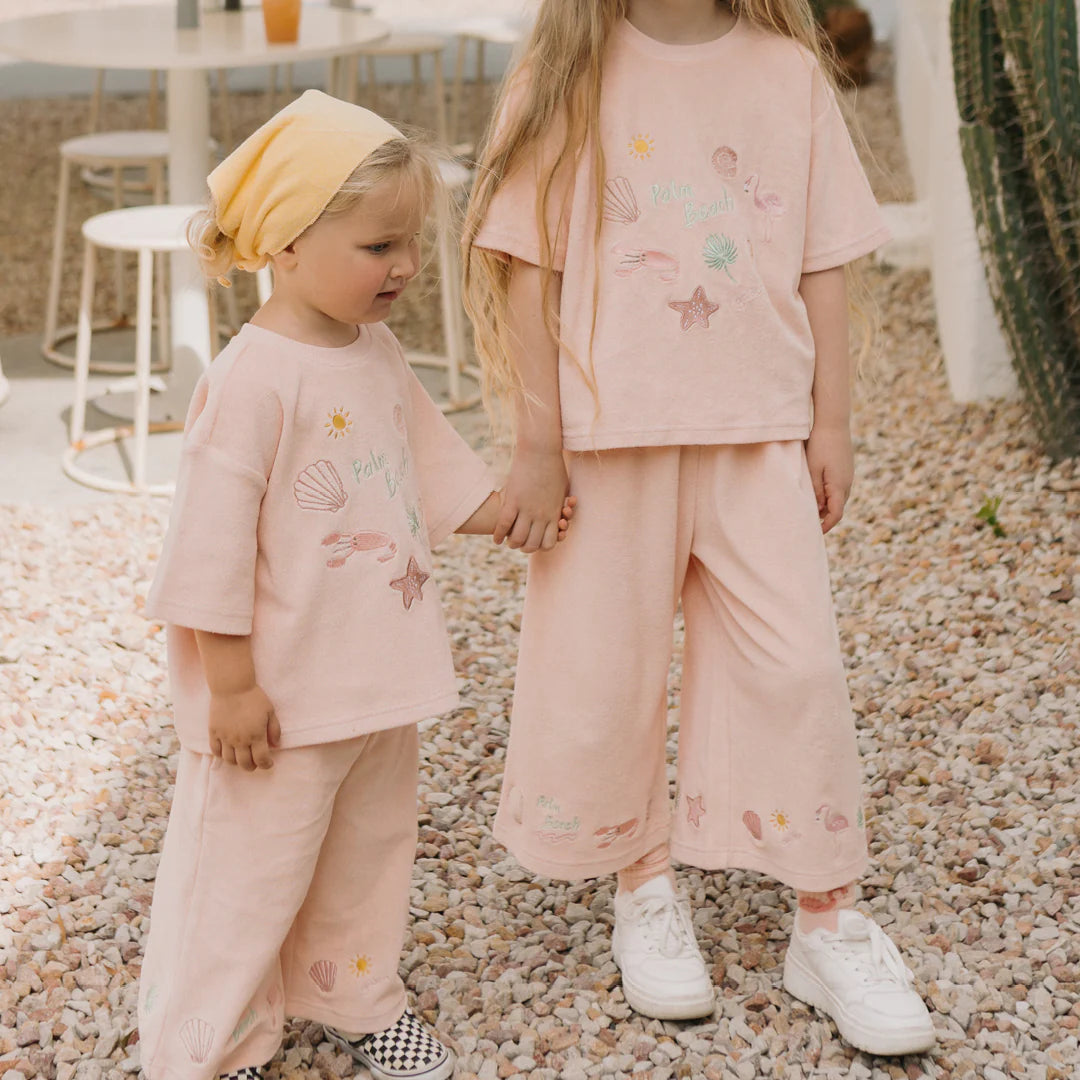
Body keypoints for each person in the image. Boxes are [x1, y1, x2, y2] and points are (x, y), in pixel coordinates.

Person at [462, 0, 936, 1056]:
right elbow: (526, 267)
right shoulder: (566, 68)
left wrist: (834, 421)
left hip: (758, 428)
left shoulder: (786, 70)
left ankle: (827, 918)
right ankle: (643, 882)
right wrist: (539, 443)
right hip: (604, 438)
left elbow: (823, 256)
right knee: (606, 668)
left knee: (799, 666)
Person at [138, 90, 572, 1080]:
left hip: (375, 674)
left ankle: (355, 991)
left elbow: (424, 457)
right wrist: (233, 686)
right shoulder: (251, 381)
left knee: (368, 851)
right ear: (286, 245)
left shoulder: (373, 353)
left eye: (410, 244)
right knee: (247, 870)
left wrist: (500, 509)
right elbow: (208, 548)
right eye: (379, 247)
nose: (407, 268)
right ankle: (207, 1041)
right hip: (281, 697)